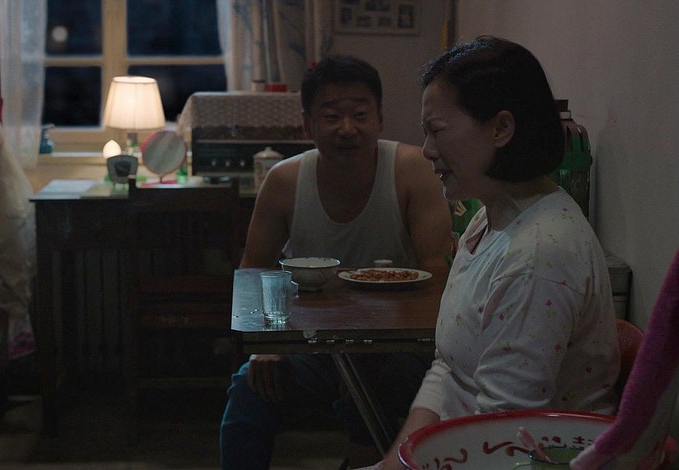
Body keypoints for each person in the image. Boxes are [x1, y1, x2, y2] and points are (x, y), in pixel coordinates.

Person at [379, 36, 620, 469]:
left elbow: (500, 436)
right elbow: (448, 369)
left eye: (437, 130)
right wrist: (392, 464)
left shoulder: (539, 255)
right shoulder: (488, 219)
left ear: (501, 129)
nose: (427, 150)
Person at [219, 55, 453, 469]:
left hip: (401, 349)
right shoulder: (285, 181)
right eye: (331, 116)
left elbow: (438, 276)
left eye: (360, 114)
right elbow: (253, 272)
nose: (347, 128)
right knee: (247, 394)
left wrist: (371, 351)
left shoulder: (413, 171)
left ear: (380, 119)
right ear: (308, 125)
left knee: (384, 387)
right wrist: (266, 348)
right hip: (313, 348)